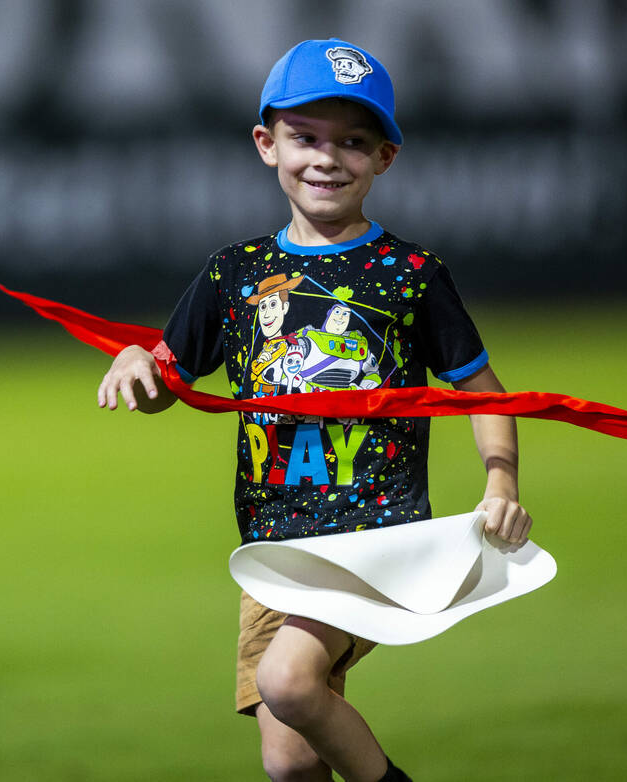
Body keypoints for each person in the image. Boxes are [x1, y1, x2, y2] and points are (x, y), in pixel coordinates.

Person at [98, 39, 531, 782]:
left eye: (353, 142)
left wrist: (501, 483)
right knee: (290, 763)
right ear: (267, 145)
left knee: (289, 681)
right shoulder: (233, 273)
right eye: (306, 138)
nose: (327, 159)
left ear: (386, 157)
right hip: (273, 551)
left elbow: (481, 388)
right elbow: (168, 377)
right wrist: (137, 362)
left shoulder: (411, 275)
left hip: (374, 537)